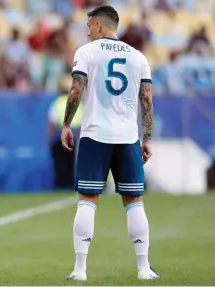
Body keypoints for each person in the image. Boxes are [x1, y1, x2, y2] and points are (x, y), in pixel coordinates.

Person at [60, 5, 159, 281]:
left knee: (87, 201)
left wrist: (67, 124)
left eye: (90, 24)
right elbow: (147, 100)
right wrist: (147, 138)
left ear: (100, 25)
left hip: (94, 135)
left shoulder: (86, 52)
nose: (87, 29)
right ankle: (143, 268)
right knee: (134, 202)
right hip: (127, 137)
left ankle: (80, 270)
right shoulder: (138, 57)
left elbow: (77, 89)